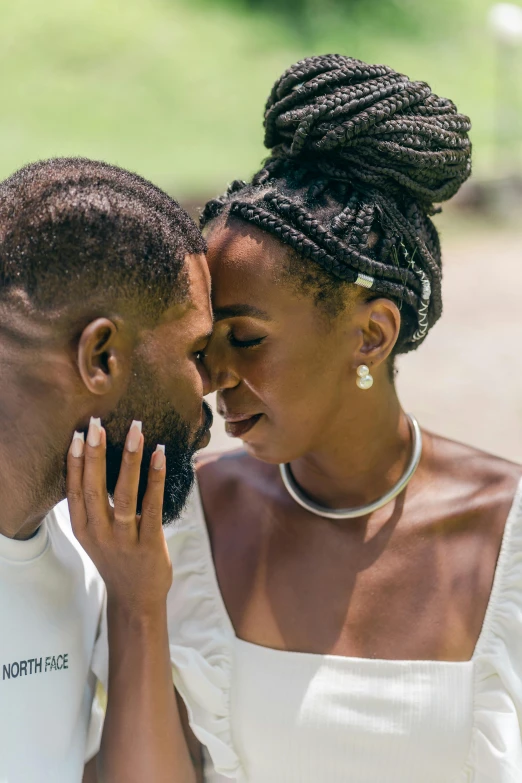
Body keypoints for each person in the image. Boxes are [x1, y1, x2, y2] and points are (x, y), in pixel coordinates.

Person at [166, 56, 522, 782]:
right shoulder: (191, 524)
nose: (214, 379)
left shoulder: (505, 535)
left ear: (371, 334)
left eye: (248, 338)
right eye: (206, 344)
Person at [0, 157, 214, 782]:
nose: (213, 391)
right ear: (101, 356)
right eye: (196, 351)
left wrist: (138, 605)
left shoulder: (91, 549)